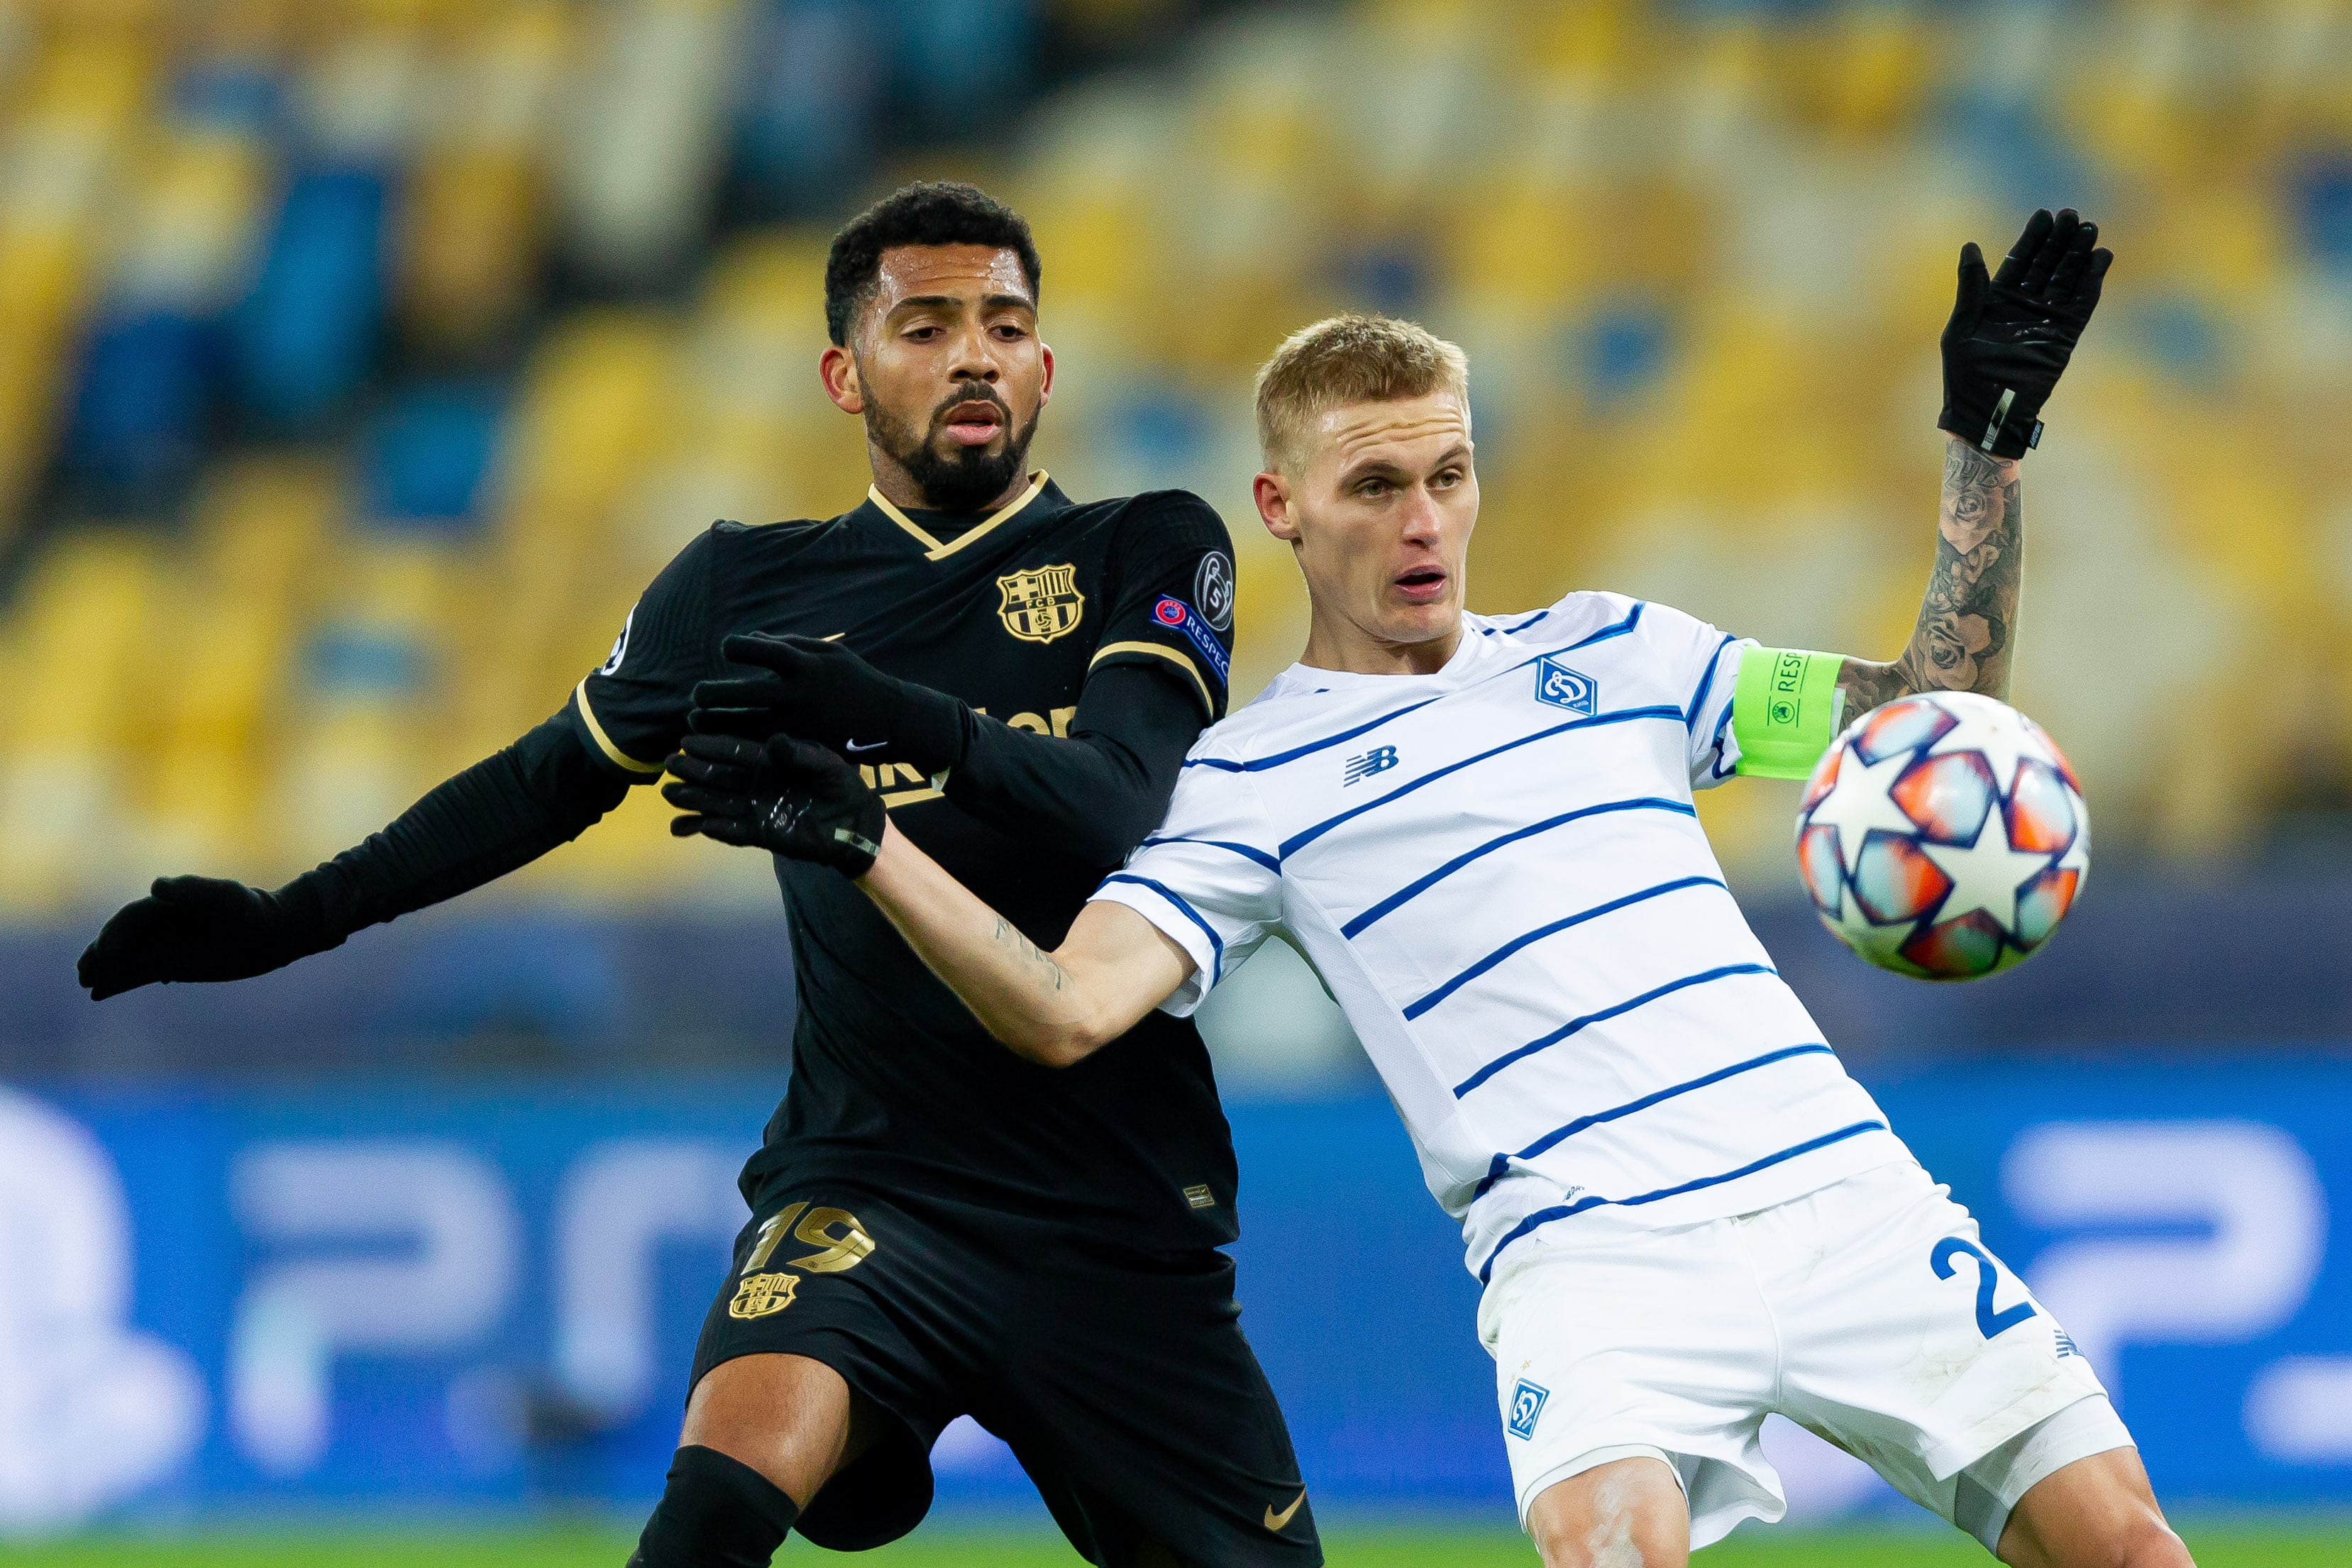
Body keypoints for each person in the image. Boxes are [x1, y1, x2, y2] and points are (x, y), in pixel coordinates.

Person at [665, 211, 2194, 1568]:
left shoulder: (1621, 650)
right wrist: (868, 843)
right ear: (1278, 507)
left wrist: (1982, 448)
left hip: (1835, 1186)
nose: (1420, 523)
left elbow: (1925, 709)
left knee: (2125, 1544)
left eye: (1447, 475)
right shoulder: (1245, 781)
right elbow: (1065, 1010)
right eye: (1374, 483)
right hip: (1588, 1251)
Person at [77, 182, 1319, 1568]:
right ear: (843, 375)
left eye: (1004, 324)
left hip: (1114, 1208)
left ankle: (906, 1451)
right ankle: (849, 1429)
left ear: (1043, 365)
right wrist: (283, 918)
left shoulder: (1145, 546)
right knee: (721, 1491)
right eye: (925, 326)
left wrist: (883, 716)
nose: (973, 353)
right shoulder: (743, 587)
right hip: (871, 1187)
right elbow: (549, 778)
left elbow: (1110, 804)